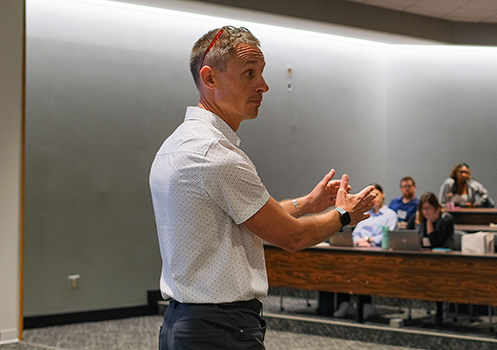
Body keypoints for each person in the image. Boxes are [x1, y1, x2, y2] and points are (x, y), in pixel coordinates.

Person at [150, 26, 377, 350]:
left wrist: (308, 203)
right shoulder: (216, 155)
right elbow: (292, 236)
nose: (264, 85)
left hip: (186, 324)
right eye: (249, 73)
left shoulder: (178, 144)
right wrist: (344, 215)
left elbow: (242, 220)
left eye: (262, 73)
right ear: (210, 78)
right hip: (220, 329)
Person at [332, 183, 397, 319]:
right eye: (370, 196)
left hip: (378, 253)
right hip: (359, 250)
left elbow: (387, 235)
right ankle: (345, 302)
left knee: (364, 266)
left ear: (383, 194)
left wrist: (368, 240)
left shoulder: (390, 215)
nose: (373, 198)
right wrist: (358, 241)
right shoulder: (365, 214)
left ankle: (366, 304)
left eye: (376, 194)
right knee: (342, 264)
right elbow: (356, 233)